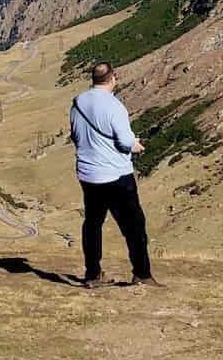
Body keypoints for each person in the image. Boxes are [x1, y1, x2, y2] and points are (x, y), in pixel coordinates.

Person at [68, 60, 163, 287]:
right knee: (134, 226)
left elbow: (75, 135)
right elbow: (124, 141)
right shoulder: (114, 106)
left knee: (92, 224)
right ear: (113, 78)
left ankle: (93, 274)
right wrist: (136, 145)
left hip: (88, 174)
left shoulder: (78, 102)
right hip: (116, 175)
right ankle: (142, 273)